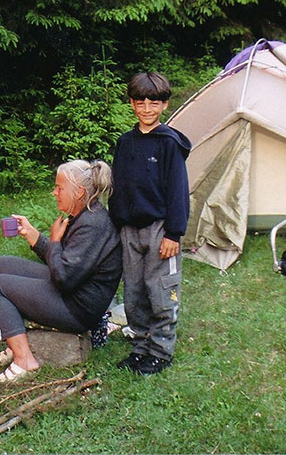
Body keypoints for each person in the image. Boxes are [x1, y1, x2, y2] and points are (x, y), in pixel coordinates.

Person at [0, 159, 122, 383]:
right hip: (72, 292)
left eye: (59, 188)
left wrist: (56, 242)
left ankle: (24, 360)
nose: (54, 192)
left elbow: (64, 278)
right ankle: (16, 336)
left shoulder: (93, 225)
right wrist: (35, 237)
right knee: (1, 264)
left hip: (79, 308)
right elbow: (68, 264)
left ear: (78, 192)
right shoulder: (84, 214)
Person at [109, 72, 191, 375]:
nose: (146, 108)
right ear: (131, 103)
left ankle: (160, 350)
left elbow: (178, 191)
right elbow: (118, 185)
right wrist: (116, 223)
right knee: (134, 292)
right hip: (129, 230)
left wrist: (174, 233)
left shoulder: (169, 144)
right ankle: (141, 346)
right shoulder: (125, 142)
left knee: (160, 291)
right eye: (140, 102)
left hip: (159, 230)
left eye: (153, 102)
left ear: (164, 104)